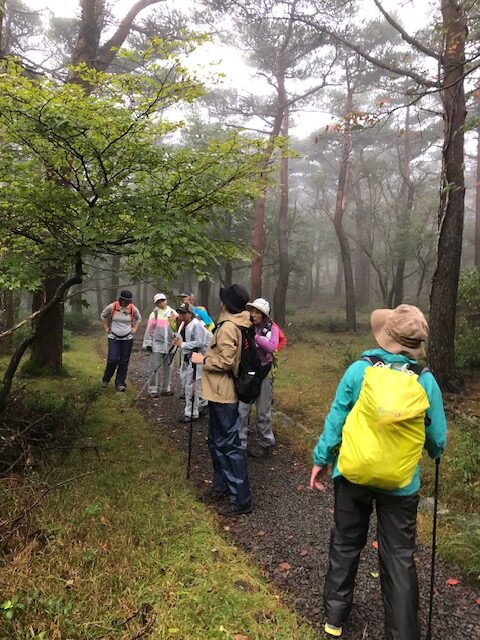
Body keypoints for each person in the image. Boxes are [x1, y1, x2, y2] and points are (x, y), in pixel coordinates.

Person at [309, 304, 447, 639]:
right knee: (399, 556)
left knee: (345, 542)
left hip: (353, 474)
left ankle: (335, 619)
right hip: (400, 485)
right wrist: (433, 451)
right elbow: (437, 440)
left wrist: (321, 458)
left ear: (388, 336)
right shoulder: (426, 381)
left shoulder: (359, 370)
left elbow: (337, 419)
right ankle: (402, 633)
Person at [192, 284, 252, 516]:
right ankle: (222, 487)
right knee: (216, 442)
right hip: (219, 392)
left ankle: (240, 499)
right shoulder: (234, 323)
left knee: (228, 444)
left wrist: (202, 360)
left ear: (226, 304)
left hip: (224, 393)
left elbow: (227, 361)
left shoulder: (228, 327)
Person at [238, 297, 278, 457]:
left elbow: (271, 346)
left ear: (264, 315)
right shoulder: (245, 325)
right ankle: (239, 444)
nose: (253, 314)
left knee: (263, 411)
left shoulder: (271, 328)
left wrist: (254, 336)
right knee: (242, 408)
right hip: (247, 372)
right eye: (252, 310)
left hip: (264, 372)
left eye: (257, 312)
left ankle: (266, 443)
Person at [173, 303, 209, 423]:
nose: (181, 315)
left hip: (200, 356)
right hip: (192, 356)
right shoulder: (184, 324)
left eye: (184, 313)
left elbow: (200, 342)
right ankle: (202, 406)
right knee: (191, 383)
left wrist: (182, 344)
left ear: (190, 314)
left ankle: (192, 413)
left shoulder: (196, 325)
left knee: (192, 384)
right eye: (180, 312)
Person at [101, 289, 141, 392]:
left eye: (129, 301)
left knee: (124, 361)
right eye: (125, 301)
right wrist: (106, 328)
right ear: (121, 299)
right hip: (113, 337)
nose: (127, 303)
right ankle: (106, 379)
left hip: (127, 338)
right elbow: (103, 315)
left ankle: (120, 383)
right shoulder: (113, 306)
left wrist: (135, 329)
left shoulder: (132, 308)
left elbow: (138, 318)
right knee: (112, 360)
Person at [142, 293, 178, 397]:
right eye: (158, 301)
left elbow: (178, 327)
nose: (161, 303)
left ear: (166, 300)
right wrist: (148, 342)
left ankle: (165, 388)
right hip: (157, 344)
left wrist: (178, 339)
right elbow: (149, 329)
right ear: (156, 303)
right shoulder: (154, 314)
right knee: (154, 367)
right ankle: (152, 390)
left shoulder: (173, 313)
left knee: (169, 367)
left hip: (170, 344)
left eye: (162, 300)